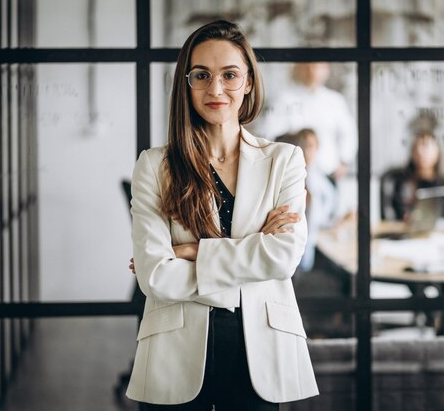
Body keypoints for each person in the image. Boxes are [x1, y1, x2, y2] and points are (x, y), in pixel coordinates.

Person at [125, 20, 318, 410]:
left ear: (248, 82)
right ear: (187, 83)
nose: (216, 89)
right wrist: (251, 252)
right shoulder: (154, 166)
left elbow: (283, 257)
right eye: (202, 75)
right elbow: (156, 275)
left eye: (229, 75)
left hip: (259, 351)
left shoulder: (284, 160)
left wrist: (194, 252)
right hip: (173, 350)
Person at [257, 62, 357, 183]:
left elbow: (349, 133)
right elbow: (269, 133)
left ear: (327, 70)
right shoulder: (285, 99)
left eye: (318, 67)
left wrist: (344, 161)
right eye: (309, 66)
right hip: (292, 174)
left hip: (328, 173)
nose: (313, 71)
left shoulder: (335, 101)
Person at [275, 128, 337, 272]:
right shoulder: (290, 179)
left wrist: (338, 222)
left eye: (314, 147)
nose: (311, 152)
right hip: (296, 255)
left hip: (314, 248)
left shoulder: (319, 179)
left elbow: (322, 219)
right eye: (307, 146)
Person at [380, 129, 444, 221]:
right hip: (404, 232)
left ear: (437, 151)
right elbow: (392, 215)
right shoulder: (399, 180)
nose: (420, 152)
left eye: (426, 146)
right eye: (417, 147)